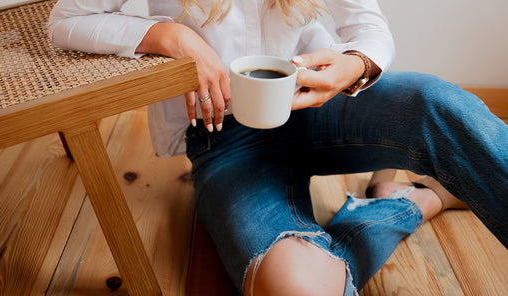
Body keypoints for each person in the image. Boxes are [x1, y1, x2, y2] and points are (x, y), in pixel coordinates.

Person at [48, 0, 508, 295]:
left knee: (436, 102)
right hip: (224, 139)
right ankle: (411, 203)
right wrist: (172, 36)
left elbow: (369, 26)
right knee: (298, 288)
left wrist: (354, 64)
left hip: (315, 104)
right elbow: (65, 21)